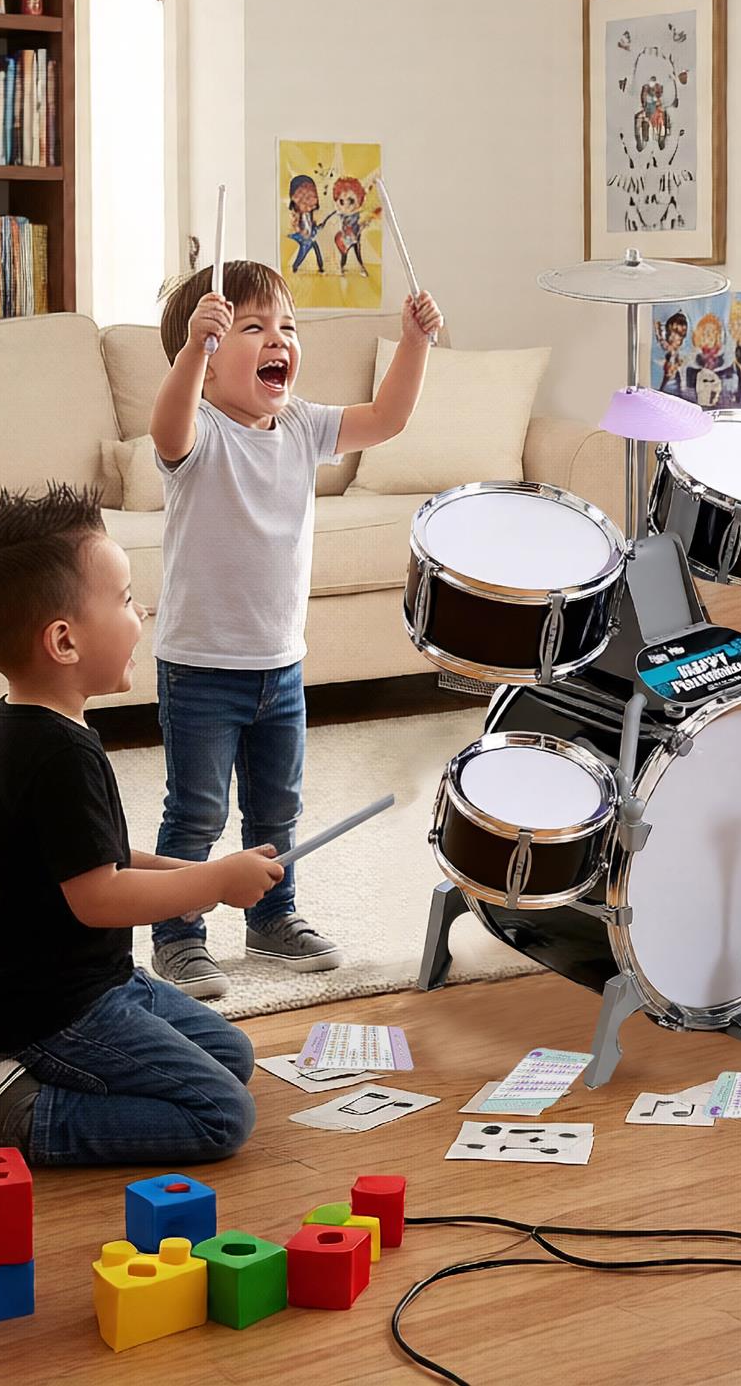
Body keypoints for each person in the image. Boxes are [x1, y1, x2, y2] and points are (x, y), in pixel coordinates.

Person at [0, 485, 283, 1166]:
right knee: (222, 1116)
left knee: (231, 1054)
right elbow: (100, 897)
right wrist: (213, 884)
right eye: (123, 598)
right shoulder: (54, 752)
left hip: (85, 982)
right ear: (64, 640)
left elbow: (94, 858)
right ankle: (15, 1114)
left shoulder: (35, 722)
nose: (140, 611)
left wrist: (206, 873)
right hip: (49, 1009)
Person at [146, 259, 443, 998]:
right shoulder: (200, 431)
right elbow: (166, 424)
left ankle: (273, 918)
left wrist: (414, 343)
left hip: (279, 667)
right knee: (197, 811)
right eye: (252, 328)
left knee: (276, 809)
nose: (277, 339)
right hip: (200, 667)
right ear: (210, 362)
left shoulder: (303, 424)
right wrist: (191, 351)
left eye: (286, 327)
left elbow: (389, 418)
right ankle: (178, 936)